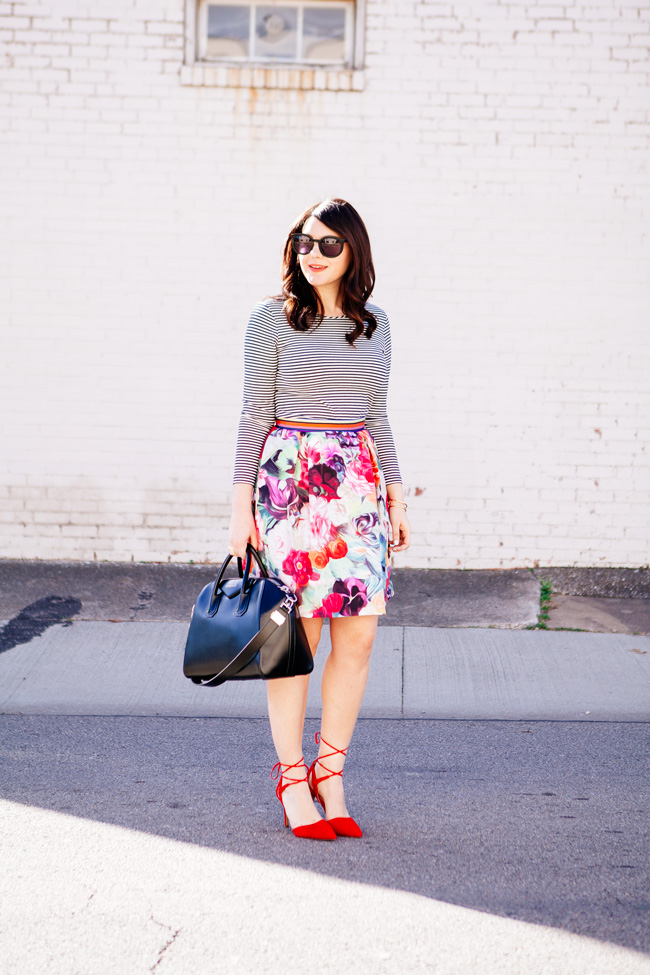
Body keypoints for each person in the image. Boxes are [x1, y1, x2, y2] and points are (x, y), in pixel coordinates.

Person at [228, 197, 411, 840]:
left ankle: (331, 773)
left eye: (329, 244)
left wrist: (395, 494)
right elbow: (253, 415)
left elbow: (378, 413)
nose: (313, 254)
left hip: (356, 485)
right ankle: (290, 775)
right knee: (296, 639)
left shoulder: (377, 324)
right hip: (290, 485)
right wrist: (239, 509)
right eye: (305, 242)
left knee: (357, 636)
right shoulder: (270, 320)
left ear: (354, 252)